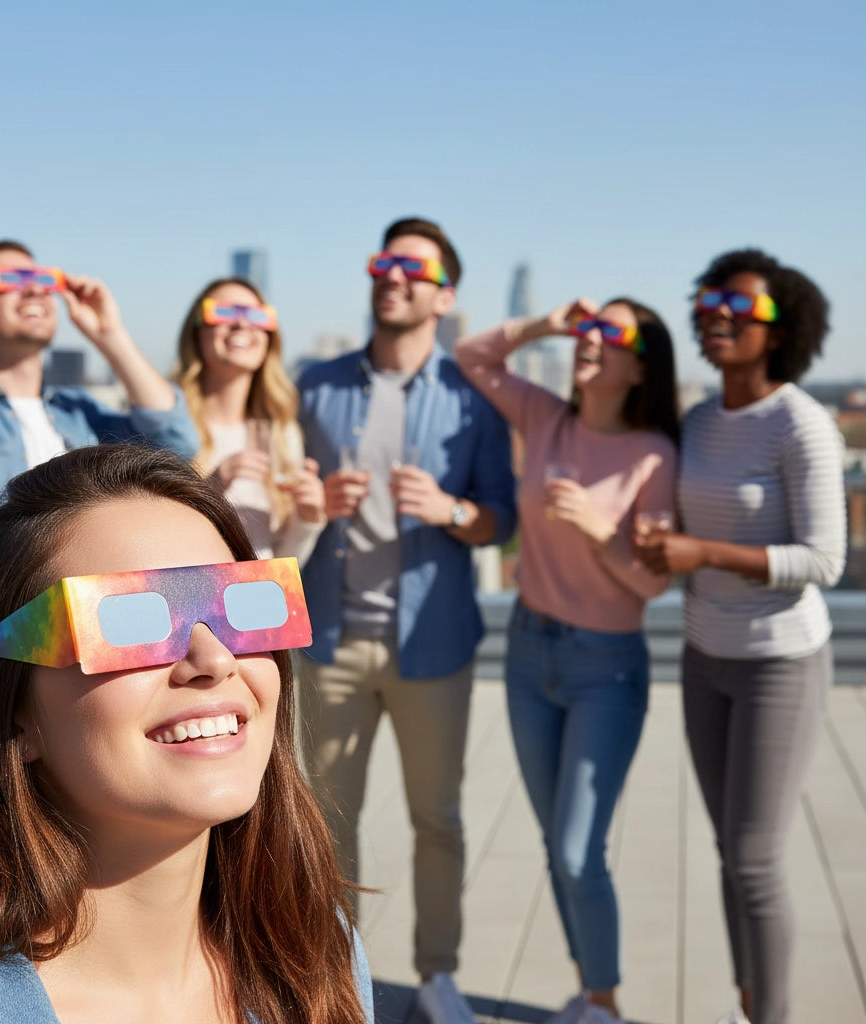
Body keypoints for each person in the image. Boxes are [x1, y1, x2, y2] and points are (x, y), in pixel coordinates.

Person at [0, 444, 373, 1024]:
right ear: (4, 712)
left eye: (242, 605)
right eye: (131, 620)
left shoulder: (321, 953)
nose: (214, 659)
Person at [297, 217, 516, 1024]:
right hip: (330, 640)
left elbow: (501, 519)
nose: (395, 277)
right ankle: (337, 978)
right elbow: (283, 495)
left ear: (444, 296)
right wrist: (316, 502)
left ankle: (438, 977)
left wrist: (451, 509)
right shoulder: (315, 386)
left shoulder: (472, 397)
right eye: (385, 263)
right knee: (326, 826)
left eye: (415, 269)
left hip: (434, 644)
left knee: (438, 821)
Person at [455, 295, 680, 1024]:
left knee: (580, 850)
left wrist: (598, 528)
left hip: (604, 669)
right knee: (557, 845)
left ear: (639, 366)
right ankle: (589, 993)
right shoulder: (546, 417)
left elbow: (652, 584)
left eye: (611, 333)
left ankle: (605, 1004)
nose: (592, 339)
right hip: (527, 653)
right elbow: (472, 357)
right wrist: (547, 324)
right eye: (588, 327)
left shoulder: (653, 454)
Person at [635, 250, 846, 1024]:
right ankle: (749, 1005)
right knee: (730, 852)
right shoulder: (697, 420)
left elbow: (824, 561)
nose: (718, 316)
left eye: (742, 308)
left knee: (755, 860)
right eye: (709, 304)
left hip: (779, 664)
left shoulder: (802, 423)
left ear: (782, 330)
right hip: (705, 658)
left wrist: (702, 554)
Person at [0, 240, 198, 751]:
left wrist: (110, 335)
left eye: (42, 280)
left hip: (83, 662)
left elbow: (177, 444)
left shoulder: (78, 414)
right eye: (7, 281)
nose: (33, 290)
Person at [172, 277, 326, 563]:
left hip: (260, 592)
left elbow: (281, 566)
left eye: (257, 315)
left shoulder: (281, 434)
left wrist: (307, 519)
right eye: (223, 312)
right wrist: (209, 491)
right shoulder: (168, 428)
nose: (242, 324)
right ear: (195, 331)